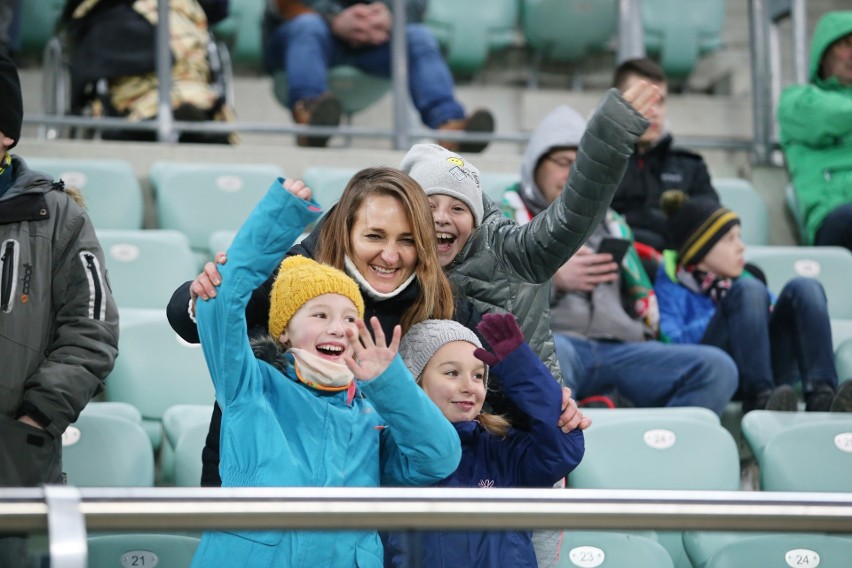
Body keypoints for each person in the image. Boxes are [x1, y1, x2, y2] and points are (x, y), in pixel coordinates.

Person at [190, 176, 461, 567]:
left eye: (350, 318)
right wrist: (281, 215)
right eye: (320, 315)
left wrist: (389, 384)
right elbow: (222, 302)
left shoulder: (373, 412)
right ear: (284, 330)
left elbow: (439, 457)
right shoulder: (249, 384)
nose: (338, 327)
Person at [398, 80, 660, 387]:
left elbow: (573, 214)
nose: (442, 218)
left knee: (713, 367)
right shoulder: (387, 262)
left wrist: (609, 136)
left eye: (459, 209)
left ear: (475, 218)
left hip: (518, 423)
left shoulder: (508, 251)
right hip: (428, 420)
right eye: (430, 206)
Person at [500, 104, 738, 415]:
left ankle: (658, 447)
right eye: (562, 162)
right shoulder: (506, 221)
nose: (573, 173)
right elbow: (493, 300)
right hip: (561, 342)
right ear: (534, 166)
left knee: (716, 368)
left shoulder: (613, 222)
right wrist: (553, 280)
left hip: (624, 347)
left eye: (582, 164)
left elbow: (644, 304)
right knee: (547, 359)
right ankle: (573, 437)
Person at [0, 52, 119, 565]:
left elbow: (90, 332)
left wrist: (34, 419)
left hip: (14, 455)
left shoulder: (59, 216)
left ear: (4, 134)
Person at [384, 314, 585, 567]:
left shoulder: (501, 448)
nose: (469, 386)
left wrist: (522, 371)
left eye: (478, 376)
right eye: (452, 372)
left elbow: (562, 450)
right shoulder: (391, 448)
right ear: (414, 381)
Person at [655, 191, 852, 413]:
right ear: (700, 249)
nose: (741, 247)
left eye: (739, 237)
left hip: (769, 366)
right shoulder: (672, 285)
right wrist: (728, 309)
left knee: (806, 288)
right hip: (717, 373)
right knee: (748, 291)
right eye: (730, 239)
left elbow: (772, 318)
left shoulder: (747, 278)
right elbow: (671, 344)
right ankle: (759, 397)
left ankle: (822, 395)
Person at [262, 0, 494, 149]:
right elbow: (282, 5)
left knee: (418, 36)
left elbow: (417, 5)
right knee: (308, 25)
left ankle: (449, 125)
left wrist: (388, 14)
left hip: (373, 44)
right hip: (306, 38)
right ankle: (310, 117)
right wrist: (334, 18)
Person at [60, 0, 236, 144]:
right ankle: (150, 114)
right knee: (131, 48)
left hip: (177, 12)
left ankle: (180, 110)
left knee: (186, 65)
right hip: (115, 12)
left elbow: (218, 7)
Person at [609, 57, 720, 254]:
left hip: (681, 266)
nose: (655, 112)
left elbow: (711, 225)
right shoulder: (594, 165)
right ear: (617, 104)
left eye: (660, 101)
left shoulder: (690, 166)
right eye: (644, 100)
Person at [778, 11, 852, 249]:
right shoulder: (797, 100)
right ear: (823, 52)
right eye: (846, 44)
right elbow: (830, 114)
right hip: (834, 217)